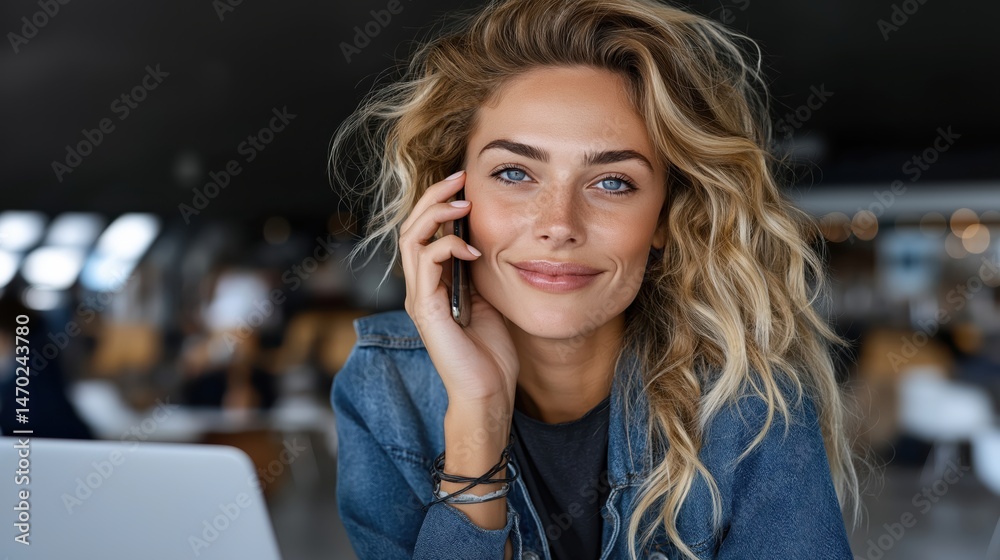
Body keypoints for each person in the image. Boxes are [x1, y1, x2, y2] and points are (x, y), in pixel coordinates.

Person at [328, 0, 865, 558]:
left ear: (664, 219)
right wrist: (477, 416)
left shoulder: (751, 399)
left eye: (612, 183)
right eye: (514, 173)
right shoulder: (384, 385)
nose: (559, 225)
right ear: (454, 200)